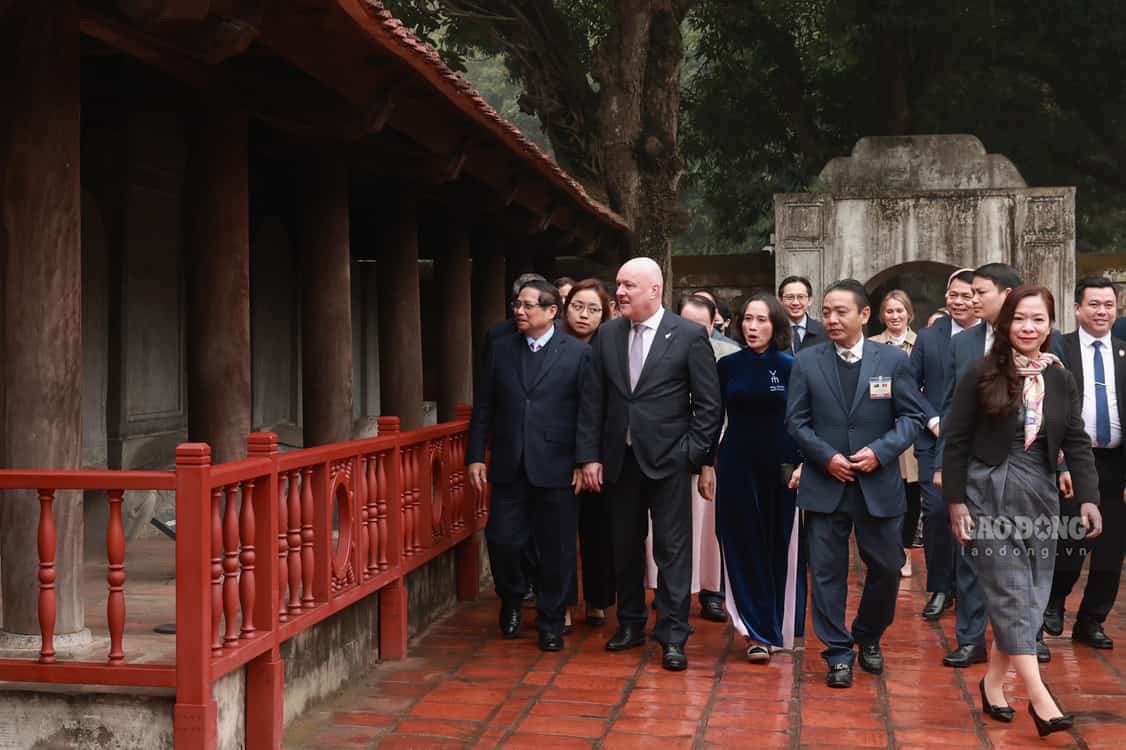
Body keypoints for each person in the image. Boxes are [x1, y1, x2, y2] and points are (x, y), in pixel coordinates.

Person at [942, 286, 1101, 737]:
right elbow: (954, 441)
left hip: (1040, 494)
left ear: (1050, 325)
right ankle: (1040, 699)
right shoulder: (980, 371)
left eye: (1038, 320)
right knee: (1012, 593)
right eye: (1019, 319)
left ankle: (993, 683)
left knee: (1030, 594)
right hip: (987, 489)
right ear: (1004, 323)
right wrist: (956, 503)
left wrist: (1087, 497)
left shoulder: (1060, 378)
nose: (1028, 328)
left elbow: (1074, 440)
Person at [576, 257, 723, 671]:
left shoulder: (689, 336)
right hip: (619, 463)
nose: (619, 292)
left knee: (672, 551)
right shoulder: (607, 335)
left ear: (654, 290)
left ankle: (673, 635)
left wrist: (692, 455)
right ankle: (630, 624)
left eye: (628, 285)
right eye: (618, 284)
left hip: (670, 463)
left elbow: (709, 405)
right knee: (624, 547)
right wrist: (589, 455)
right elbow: (593, 403)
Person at [786, 279, 927, 688]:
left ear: (864, 315)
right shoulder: (807, 362)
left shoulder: (893, 361)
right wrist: (825, 457)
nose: (830, 319)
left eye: (840, 311)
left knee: (885, 568)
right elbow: (795, 421)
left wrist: (881, 452)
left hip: (877, 484)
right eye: (826, 311)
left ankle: (867, 635)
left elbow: (911, 418)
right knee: (826, 574)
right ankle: (837, 653)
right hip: (825, 484)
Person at [466, 280, 590, 651]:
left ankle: (551, 621)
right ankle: (513, 597)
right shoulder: (502, 349)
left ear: (552, 312)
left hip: (558, 465)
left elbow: (588, 412)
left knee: (556, 548)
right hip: (509, 463)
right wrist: (475, 455)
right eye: (516, 304)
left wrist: (585, 460)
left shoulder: (577, 354)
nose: (519, 311)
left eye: (527, 306)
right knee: (503, 539)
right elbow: (484, 407)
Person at [935, 263, 1039, 667]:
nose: (972, 300)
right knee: (971, 553)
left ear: (1008, 294)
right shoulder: (962, 344)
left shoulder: (1039, 340)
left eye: (980, 292)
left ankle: (1026, 638)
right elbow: (950, 408)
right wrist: (945, 464)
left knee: (1026, 557)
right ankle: (970, 638)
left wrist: (1062, 468)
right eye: (970, 293)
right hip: (976, 468)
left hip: (1026, 469)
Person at [715, 292, 806, 663]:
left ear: (776, 326)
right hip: (736, 465)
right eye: (748, 319)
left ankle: (779, 625)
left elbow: (802, 420)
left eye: (762, 320)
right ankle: (755, 631)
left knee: (777, 544)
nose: (753, 327)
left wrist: (802, 463)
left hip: (782, 468)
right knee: (742, 543)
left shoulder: (791, 366)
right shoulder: (728, 366)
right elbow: (712, 417)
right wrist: (708, 464)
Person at [641, 294, 739, 623]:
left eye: (703, 325)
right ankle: (665, 590)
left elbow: (719, 409)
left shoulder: (729, 355)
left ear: (715, 325)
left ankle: (712, 591)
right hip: (671, 453)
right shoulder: (662, 348)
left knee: (709, 527)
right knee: (667, 532)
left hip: (713, 449)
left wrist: (705, 455)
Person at [1044, 277, 1126, 651]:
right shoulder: (1061, 349)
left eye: (1109, 305)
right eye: (1094, 304)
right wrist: (1060, 464)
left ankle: (1092, 620)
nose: (1102, 311)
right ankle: (1055, 603)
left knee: (1111, 550)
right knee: (1070, 543)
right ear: (1078, 309)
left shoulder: (1124, 351)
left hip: (1116, 464)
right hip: (1074, 464)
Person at [909, 269, 977, 622]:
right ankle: (940, 587)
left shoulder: (990, 337)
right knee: (936, 513)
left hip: (978, 443)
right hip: (934, 441)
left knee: (973, 514)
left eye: (967, 295)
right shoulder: (929, 336)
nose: (960, 301)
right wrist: (932, 420)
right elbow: (908, 384)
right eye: (954, 294)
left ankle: (970, 589)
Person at [560, 278, 615, 627]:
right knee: (561, 532)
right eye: (577, 307)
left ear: (605, 314)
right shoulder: (554, 347)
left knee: (599, 531)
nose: (584, 315)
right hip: (559, 452)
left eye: (593, 309)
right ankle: (562, 602)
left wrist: (590, 456)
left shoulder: (611, 348)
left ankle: (597, 599)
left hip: (603, 455)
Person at [871, 290, 925, 579]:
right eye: (889, 311)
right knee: (882, 495)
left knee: (911, 495)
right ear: (882, 316)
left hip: (912, 431)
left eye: (899, 311)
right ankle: (884, 552)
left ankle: (903, 551)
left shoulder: (921, 345)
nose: (894, 316)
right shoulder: (871, 345)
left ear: (909, 314)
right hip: (880, 428)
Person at [778, 275, 826, 353]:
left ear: (810, 300)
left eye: (801, 297)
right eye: (790, 297)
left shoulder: (824, 332)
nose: (795, 303)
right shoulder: (773, 331)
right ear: (780, 301)